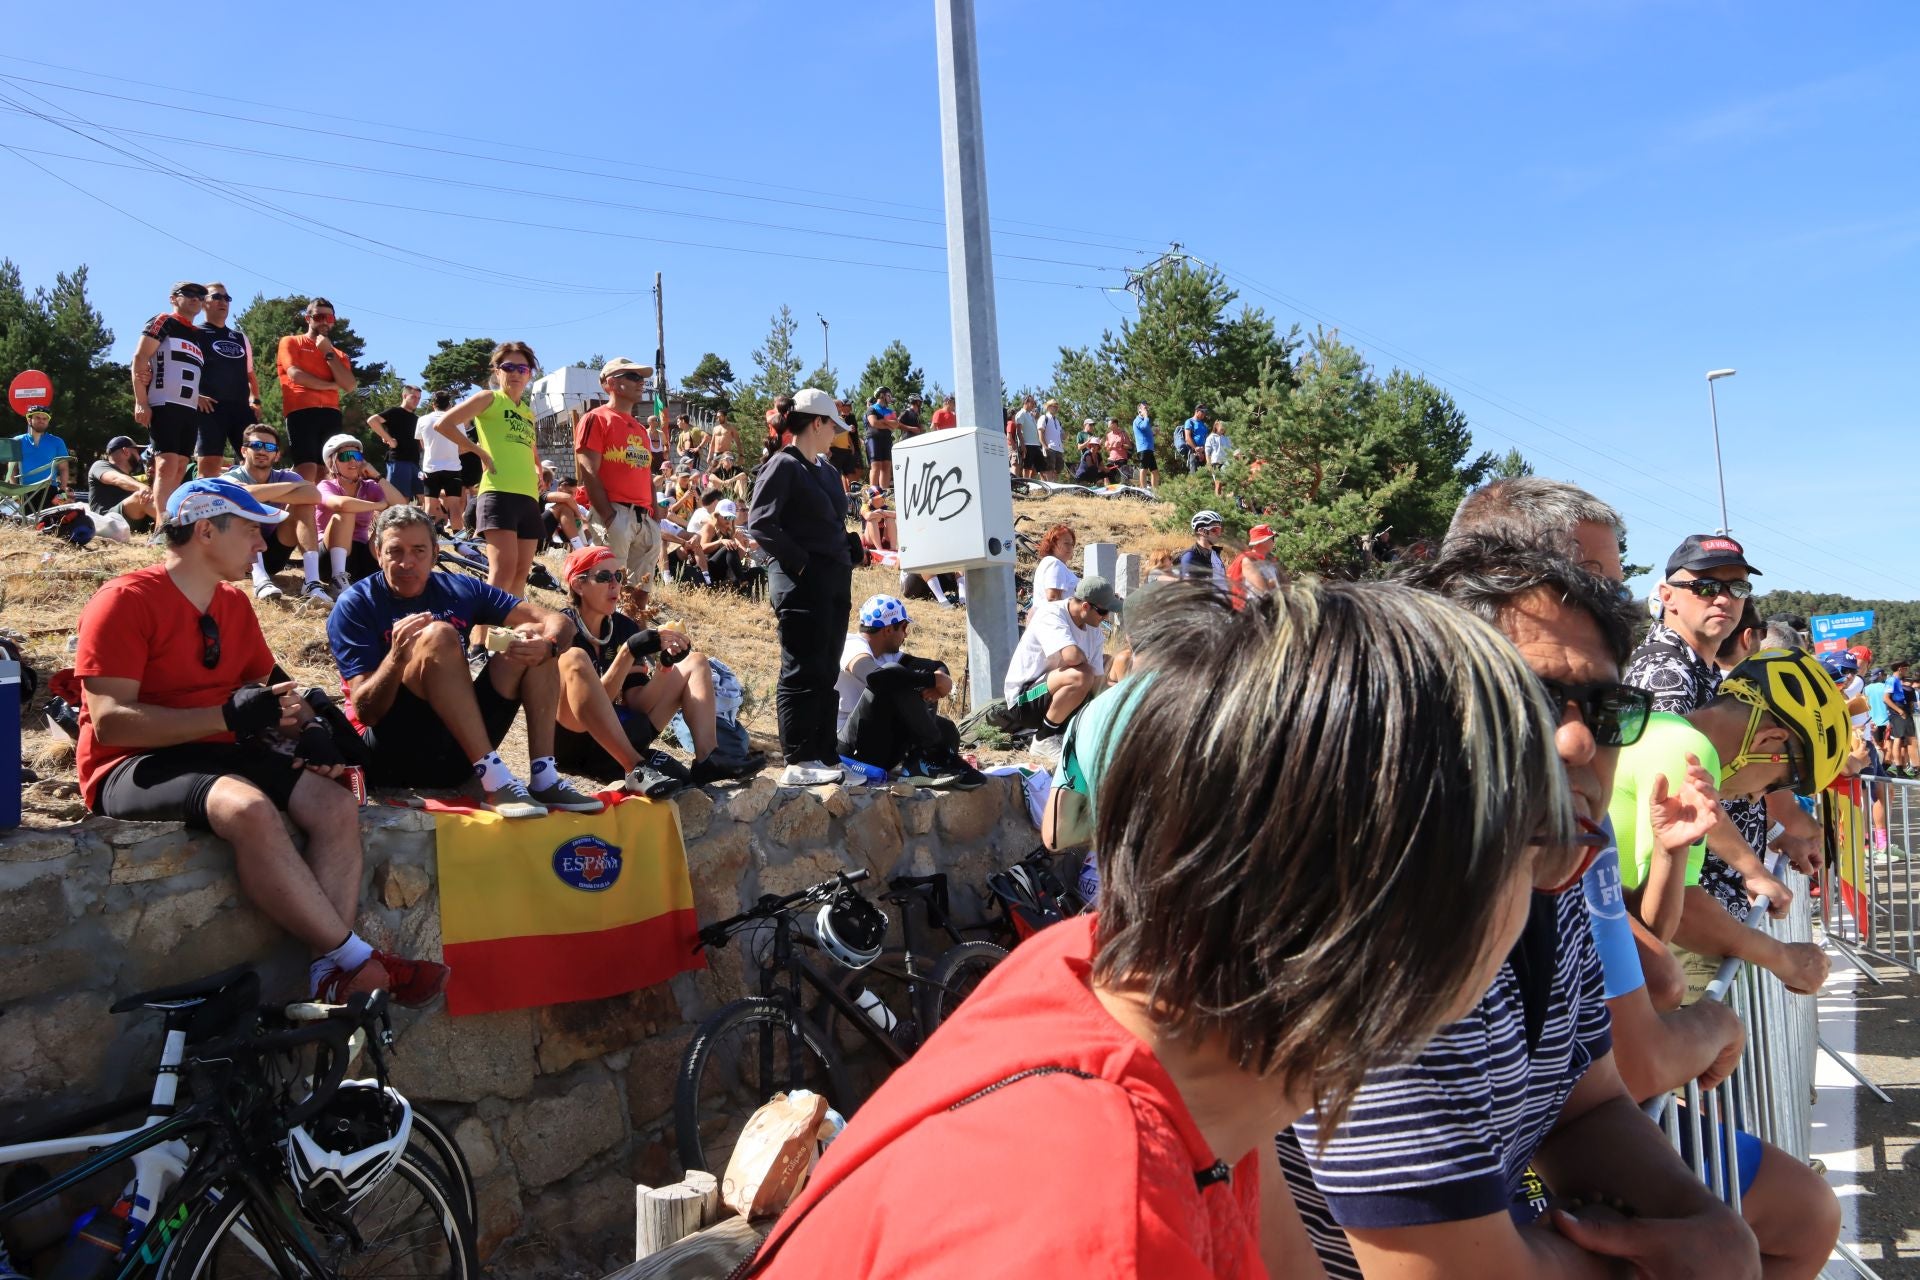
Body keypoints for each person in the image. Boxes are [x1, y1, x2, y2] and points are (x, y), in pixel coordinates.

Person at [748, 578, 1579, 1279]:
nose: (1553, 886)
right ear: (1409, 895)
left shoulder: (1135, 996)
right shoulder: (1092, 1229)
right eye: (1543, 848)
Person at [1281, 535, 1828, 1280]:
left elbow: (1590, 1097)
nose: (1576, 740)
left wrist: (1704, 1222)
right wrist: (1656, 1260)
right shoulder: (1378, 925)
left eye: (1607, 710)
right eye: (1529, 698)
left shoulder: (1567, 856)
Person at [75, 478, 447, 1005]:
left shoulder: (231, 603)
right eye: (251, 530)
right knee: (247, 808)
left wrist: (311, 730)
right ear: (206, 530)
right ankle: (353, 959)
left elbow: (270, 691)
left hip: (217, 750)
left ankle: (328, 974)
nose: (261, 546)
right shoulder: (123, 601)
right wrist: (225, 714)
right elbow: (111, 723)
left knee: (337, 807)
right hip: (130, 764)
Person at [327, 505, 601, 818]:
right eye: (394, 551)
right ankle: (494, 778)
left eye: (418, 550)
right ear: (377, 552)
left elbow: (554, 620)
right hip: (390, 756)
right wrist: (398, 657)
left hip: (456, 751)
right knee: (439, 635)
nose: (407, 563)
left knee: (530, 636)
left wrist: (549, 645)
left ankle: (545, 776)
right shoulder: (355, 605)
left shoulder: (458, 588)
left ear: (434, 554)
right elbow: (367, 713)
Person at [1614, 646, 1843, 1002]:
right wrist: (1784, 959)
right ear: (1769, 741)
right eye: (1779, 782)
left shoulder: (1663, 728)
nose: (1758, 797)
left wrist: (1752, 870)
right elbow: (1683, 911)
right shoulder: (1687, 751)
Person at [552, 546, 758, 792]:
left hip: (618, 739)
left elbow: (638, 704)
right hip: (572, 742)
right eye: (604, 577)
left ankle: (708, 759)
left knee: (696, 662)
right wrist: (627, 652)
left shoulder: (623, 627)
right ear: (578, 585)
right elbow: (590, 708)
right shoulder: (563, 628)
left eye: (618, 576)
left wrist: (665, 666)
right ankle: (634, 765)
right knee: (576, 658)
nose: (615, 585)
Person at [745, 387, 855, 787]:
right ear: (817, 422)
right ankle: (799, 758)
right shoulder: (783, 464)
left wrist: (849, 546)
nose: (837, 434)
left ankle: (826, 756)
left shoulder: (825, 469)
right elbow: (760, 523)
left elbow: (827, 525)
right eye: (833, 425)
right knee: (801, 669)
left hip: (834, 582)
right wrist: (803, 563)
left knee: (826, 670)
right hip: (799, 584)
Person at [433, 342, 545, 655]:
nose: (515, 373)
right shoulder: (489, 398)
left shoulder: (527, 412)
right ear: (496, 372)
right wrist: (478, 450)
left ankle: (505, 637)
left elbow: (528, 446)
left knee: (522, 572)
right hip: (497, 493)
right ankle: (477, 643)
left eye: (521, 368)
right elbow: (445, 423)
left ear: (530, 374)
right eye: (507, 367)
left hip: (527, 496)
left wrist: (537, 467)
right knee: (502, 570)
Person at [834, 595, 983, 790]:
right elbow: (875, 678)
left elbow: (934, 666)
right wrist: (933, 680)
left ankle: (922, 762)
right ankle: (932, 754)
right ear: (888, 629)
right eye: (904, 628)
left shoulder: (889, 653)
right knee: (892, 675)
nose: (906, 635)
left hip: (876, 746)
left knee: (946, 729)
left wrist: (940, 678)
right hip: (847, 750)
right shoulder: (851, 645)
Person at [997, 576, 1120, 761]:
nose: (1106, 617)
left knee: (1109, 666)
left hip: (1052, 695)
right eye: (1103, 612)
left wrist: (1126, 693)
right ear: (1086, 606)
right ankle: (1044, 738)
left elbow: (1097, 683)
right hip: (1023, 700)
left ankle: (1063, 733)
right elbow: (1071, 656)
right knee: (1082, 674)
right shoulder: (1051, 614)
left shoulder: (1093, 628)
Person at [574, 358, 661, 618]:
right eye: (633, 376)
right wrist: (608, 516)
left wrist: (654, 514)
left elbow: (646, 473)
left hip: (644, 516)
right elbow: (588, 469)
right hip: (616, 513)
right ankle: (606, 638)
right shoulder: (596, 419)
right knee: (609, 586)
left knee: (642, 587)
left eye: (641, 377)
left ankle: (634, 634)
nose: (640, 382)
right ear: (612, 383)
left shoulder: (640, 428)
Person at [224, 422, 335, 605]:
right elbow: (242, 495)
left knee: (304, 505)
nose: (262, 451)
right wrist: (293, 487)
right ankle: (260, 581)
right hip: (240, 556)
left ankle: (312, 582)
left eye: (269, 447)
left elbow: (314, 495)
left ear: (276, 455)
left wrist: (261, 492)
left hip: (274, 554)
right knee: (244, 504)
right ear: (244, 451)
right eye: (256, 445)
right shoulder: (231, 477)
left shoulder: (283, 476)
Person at [132, 281, 215, 517]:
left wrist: (197, 396)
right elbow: (140, 357)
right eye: (188, 293)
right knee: (166, 464)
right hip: (164, 403)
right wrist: (141, 401)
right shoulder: (164, 321)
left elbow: (182, 369)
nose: (195, 298)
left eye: (200, 295)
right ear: (173, 298)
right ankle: (161, 526)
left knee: (180, 467)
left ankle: (170, 520)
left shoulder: (197, 334)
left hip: (188, 409)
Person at [275, 297, 357, 484]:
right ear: (308, 318)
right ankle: (293, 511)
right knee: (307, 469)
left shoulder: (337, 354)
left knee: (325, 472)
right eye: (320, 317)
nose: (325, 322)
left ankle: (314, 513)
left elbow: (350, 385)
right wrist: (331, 385)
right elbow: (296, 375)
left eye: (330, 318)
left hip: (331, 414)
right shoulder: (291, 342)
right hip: (301, 410)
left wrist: (327, 352)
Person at [193, 282, 262, 479]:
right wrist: (195, 395)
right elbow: (183, 370)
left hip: (241, 408)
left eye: (226, 298)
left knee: (255, 460)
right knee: (209, 466)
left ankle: (254, 506)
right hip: (210, 408)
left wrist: (255, 400)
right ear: (203, 302)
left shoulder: (239, 337)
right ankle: (203, 506)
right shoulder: (194, 333)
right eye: (216, 297)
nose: (223, 301)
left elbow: (250, 373)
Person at [317, 433, 403, 588]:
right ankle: (338, 581)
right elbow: (342, 505)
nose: (352, 460)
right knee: (347, 511)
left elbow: (401, 505)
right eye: (344, 456)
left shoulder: (369, 486)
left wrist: (377, 476)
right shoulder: (326, 486)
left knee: (394, 516)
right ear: (332, 463)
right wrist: (379, 505)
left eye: (356, 455)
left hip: (362, 554)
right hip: (328, 557)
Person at [86, 434, 157, 534]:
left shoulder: (131, 480)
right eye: (137, 452)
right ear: (126, 451)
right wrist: (141, 487)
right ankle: (175, 527)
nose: (139, 457)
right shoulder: (100, 465)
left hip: (129, 521)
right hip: (106, 520)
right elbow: (116, 478)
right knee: (140, 497)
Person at [416, 390, 466, 533]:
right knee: (455, 506)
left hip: (430, 467)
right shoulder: (456, 420)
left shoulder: (422, 420)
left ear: (433, 404)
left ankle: (426, 540)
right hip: (453, 467)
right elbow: (462, 444)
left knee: (429, 506)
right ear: (449, 404)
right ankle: (459, 541)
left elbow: (422, 444)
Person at [8, 404, 70, 509]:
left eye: (45, 418)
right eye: (37, 417)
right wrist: (14, 494)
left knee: (49, 524)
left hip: (49, 491)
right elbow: (12, 469)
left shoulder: (57, 442)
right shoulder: (17, 441)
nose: (42, 420)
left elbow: (63, 469)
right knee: (25, 524)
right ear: (29, 420)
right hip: (24, 490)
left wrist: (62, 494)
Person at [368, 385, 424, 502]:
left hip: (415, 463)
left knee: (424, 497)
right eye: (413, 397)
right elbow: (372, 421)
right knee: (401, 499)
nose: (416, 400)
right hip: (399, 461)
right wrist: (388, 439)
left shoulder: (417, 419)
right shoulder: (395, 412)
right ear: (404, 395)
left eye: (419, 398)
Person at [1225, 524, 1278, 609]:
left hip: (1265, 608)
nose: (1274, 542)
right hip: (1249, 612)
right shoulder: (1248, 560)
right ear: (1263, 541)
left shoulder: (1267, 561)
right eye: (1272, 538)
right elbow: (1261, 589)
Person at [1175, 509, 1228, 590]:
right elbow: (1188, 590)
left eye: (1220, 530)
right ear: (1201, 531)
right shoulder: (1190, 556)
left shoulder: (1215, 554)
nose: (1219, 534)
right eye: (1214, 530)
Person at [1032, 523, 1079, 602]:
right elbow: (1053, 598)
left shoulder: (1052, 563)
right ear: (1053, 544)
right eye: (1066, 543)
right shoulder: (1054, 563)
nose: (1070, 547)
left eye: (1072, 544)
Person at [865, 386, 897, 492]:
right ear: (882, 395)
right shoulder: (872, 408)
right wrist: (888, 423)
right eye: (889, 395)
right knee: (876, 465)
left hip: (886, 439)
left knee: (886, 466)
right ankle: (872, 493)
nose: (890, 397)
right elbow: (874, 423)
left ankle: (884, 493)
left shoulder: (890, 410)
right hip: (873, 439)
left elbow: (895, 425)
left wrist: (883, 421)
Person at [1012, 394, 1043, 479]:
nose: (1034, 404)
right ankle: (1026, 483)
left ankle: (1031, 482)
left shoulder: (1030, 415)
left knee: (1039, 467)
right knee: (1027, 467)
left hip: (1036, 445)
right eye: (1032, 402)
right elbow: (1018, 430)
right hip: (1027, 444)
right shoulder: (1021, 414)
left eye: (1034, 403)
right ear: (1026, 402)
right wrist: (1022, 445)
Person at [1130, 401, 1158, 488]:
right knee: (1144, 469)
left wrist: (1154, 433)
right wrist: (1146, 416)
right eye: (1145, 408)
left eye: (1147, 408)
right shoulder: (1137, 420)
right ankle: (1144, 489)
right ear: (1139, 411)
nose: (1147, 410)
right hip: (1143, 448)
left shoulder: (1145, 421)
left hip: (1149, 449)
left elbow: (1146, 432)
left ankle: (1155, 491)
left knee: (1154, 471)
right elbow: (1143, 426)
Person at [1179, 403, 1210, 473]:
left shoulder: (1203, 425)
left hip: (1203, 453)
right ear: (1196, 411)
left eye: (1205, 412)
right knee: (1194, 476)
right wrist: (1196, 448)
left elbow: (1206, 439)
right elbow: (1187, 438)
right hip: (1194, 452)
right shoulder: (1189, 421)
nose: (1204, 414)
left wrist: (1204, 450)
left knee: (1204, 477)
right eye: (1202, 412)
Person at [1038, 399, 1065, 478]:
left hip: (1059, 448)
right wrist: (1045, 446)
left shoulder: (1057, 421)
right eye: (1054, 406)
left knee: (1058, 468)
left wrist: (1065, 435)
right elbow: (1040, 433)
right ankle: (1050, 486)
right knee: (1049, 468)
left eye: (1057, 406)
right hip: (1050, 447)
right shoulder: (1044, 418)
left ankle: (1053, 486)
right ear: (1049, 407)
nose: (1056, 408)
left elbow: (1061, 436)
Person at [1203, 421, 1232, 495]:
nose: (1223, 428)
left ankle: (1226, 500)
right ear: (1216, 427)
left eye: (1224, 427)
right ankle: (1218, 502)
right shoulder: (1211, 437)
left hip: (1226, 462)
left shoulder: (1227, 438)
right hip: (1215, 462)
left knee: (1227, 482)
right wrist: (1208, 463)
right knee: (1218, 483)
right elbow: (1207, 452)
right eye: (1222, 426)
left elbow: (1231, 449)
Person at [1101, 416, 1130, 481]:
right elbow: (1107, 449)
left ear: (1114, 424)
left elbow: (1129, 446)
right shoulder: (1108, 435)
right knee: (1109, 476)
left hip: (1121, 459)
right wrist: (1110, 446)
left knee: (1124, 477)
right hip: (1111, 459)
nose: (1108, 425)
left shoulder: (1123, 433)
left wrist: (1121, 445)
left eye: (1109, 424)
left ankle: (1124, 490)